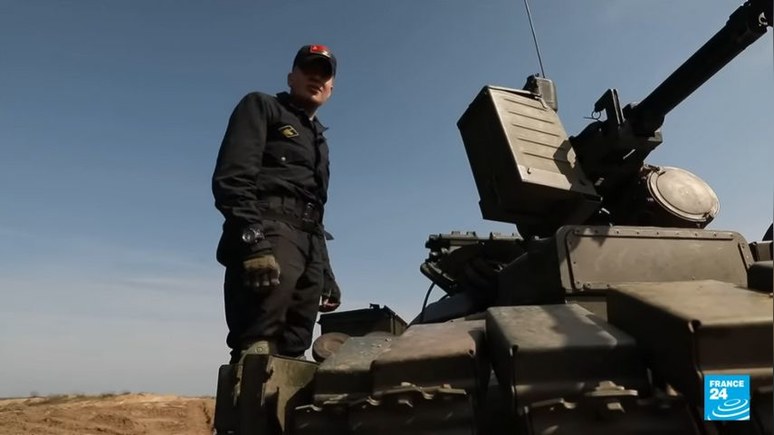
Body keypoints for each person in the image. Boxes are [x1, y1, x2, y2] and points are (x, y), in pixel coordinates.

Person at [212, 44, 342, 370]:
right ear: (290, 77)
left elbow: (317, 211)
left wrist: (325, 272)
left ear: (331, 87)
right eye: (308, 69)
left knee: (296, 348)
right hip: (270, 230)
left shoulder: (320, 141)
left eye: (324, 73)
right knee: (259, 342)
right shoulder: (262, 106)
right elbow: (232, 179)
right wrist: (254, 243)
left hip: (309, 244)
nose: (316, 77)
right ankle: (247, 402)